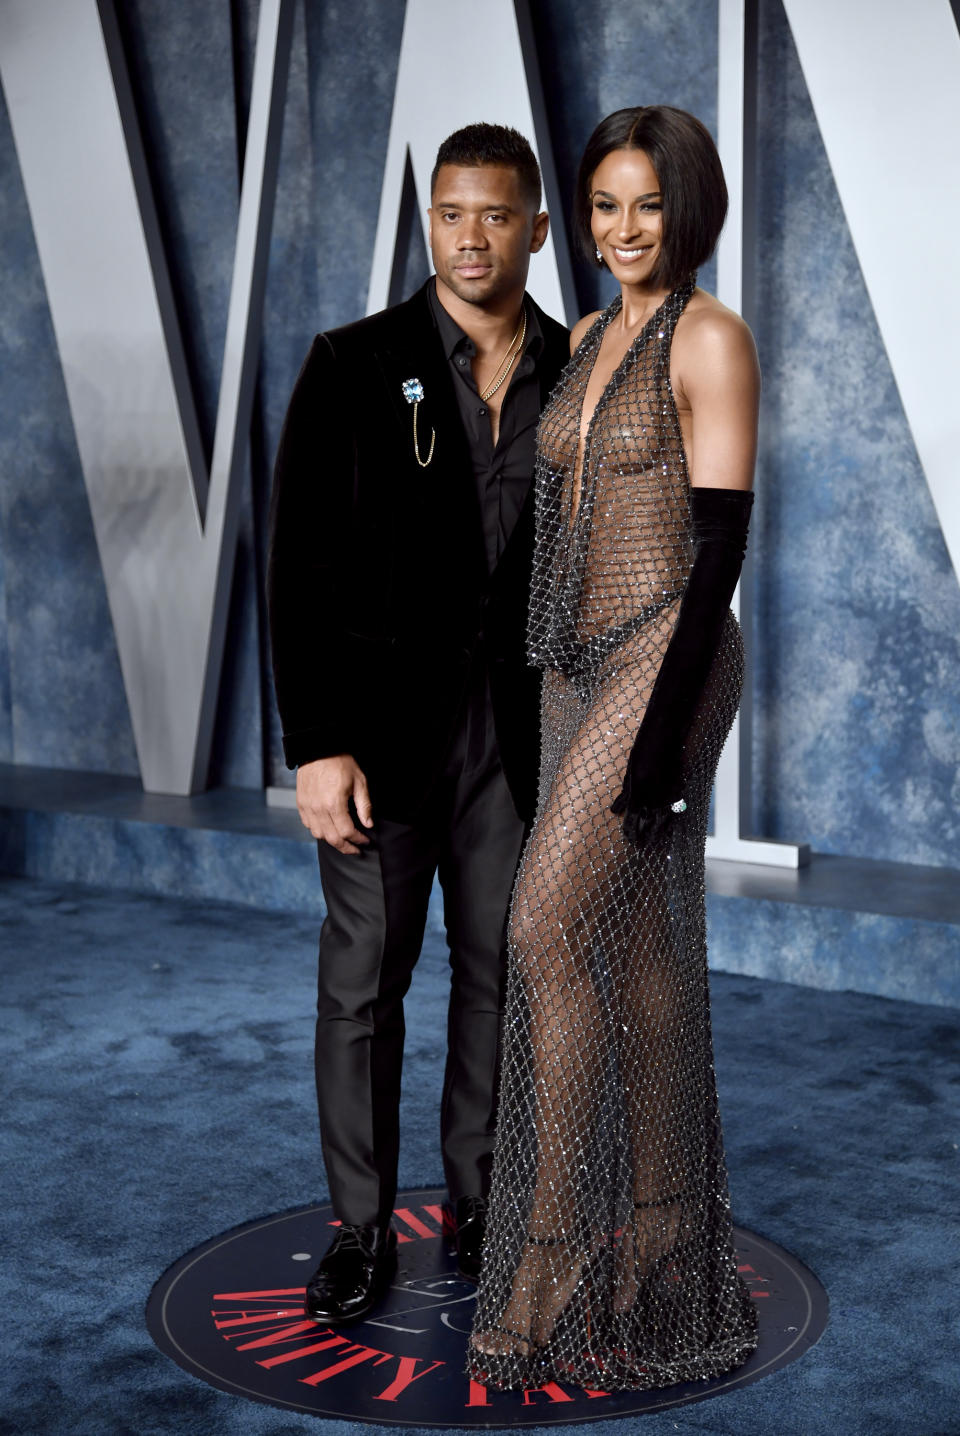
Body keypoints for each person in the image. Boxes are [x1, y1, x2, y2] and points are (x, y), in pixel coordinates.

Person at [468, 106, 761, 1390]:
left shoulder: (710, 336)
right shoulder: (585, 337)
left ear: (685, 209)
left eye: (644, 205)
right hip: (575, 667)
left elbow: (721, 561)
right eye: (600, 206)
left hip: (668, 655)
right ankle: (654, 1252)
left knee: (541, 929)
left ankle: (553, 1249)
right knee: (633, 952)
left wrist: (653, 758)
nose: (620, 230)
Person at [267, 124, 569, 1326]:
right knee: (364, 985)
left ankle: (483, 1204)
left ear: (538, 227)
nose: (472, 236)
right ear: (428, 221)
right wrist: (315, 743)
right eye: (451, 213)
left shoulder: (580, 364)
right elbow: (298, 570)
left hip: (515, 736)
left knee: (501, 971)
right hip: (379, 741)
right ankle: (357, 1226)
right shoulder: (354, 362)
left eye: (496, 215)